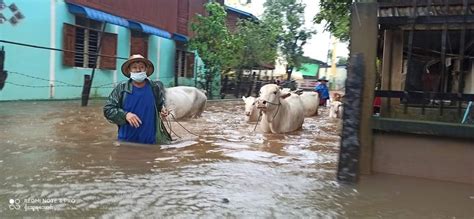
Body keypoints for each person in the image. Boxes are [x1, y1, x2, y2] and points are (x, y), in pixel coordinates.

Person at [103, 54, 171, 144]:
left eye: (141, 67)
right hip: (126, 142)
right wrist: (125, 115)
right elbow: (108, 109)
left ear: (146, 69)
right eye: (134, 67)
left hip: (150, 141)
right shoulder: (121, 88)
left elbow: (160, 105)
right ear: (129, 70)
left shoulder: (154, 87)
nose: (138, 70)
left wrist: (163, 110)